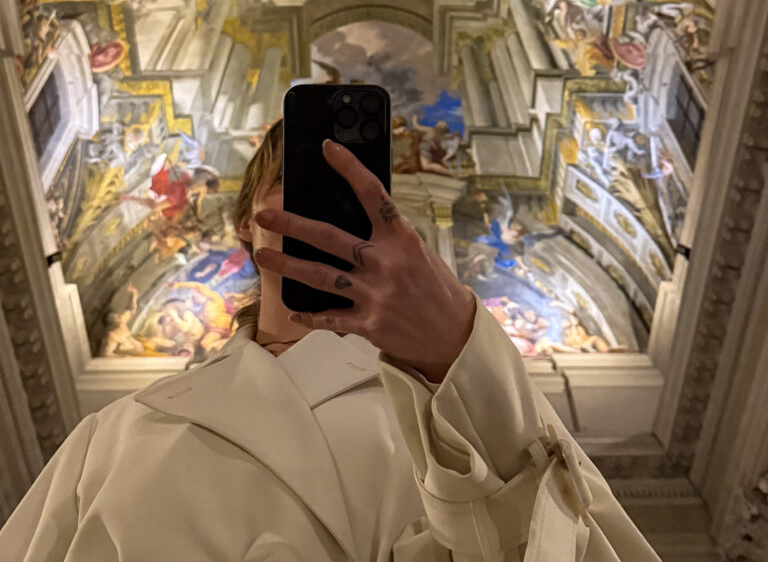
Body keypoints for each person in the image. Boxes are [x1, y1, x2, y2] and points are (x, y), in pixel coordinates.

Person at [0, 119, 662, 562]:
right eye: (297, 188)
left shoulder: (477, 405)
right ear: (245, 225)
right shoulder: (111, 437)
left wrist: (457, 354)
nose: (324, 217)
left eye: (360, 201)